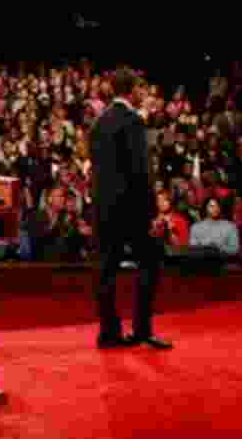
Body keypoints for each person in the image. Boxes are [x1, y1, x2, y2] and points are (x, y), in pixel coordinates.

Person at [89, 68, 173, 350]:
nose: (144, 93)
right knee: (150, 262)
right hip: (132, 212)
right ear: (131, 89)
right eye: (141, 88)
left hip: (104, 210)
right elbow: (140, 173)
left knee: (106, 271)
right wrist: (152, 213)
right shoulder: (133, 122)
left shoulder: (98, 123)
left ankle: (109, 333)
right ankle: (142, 330)